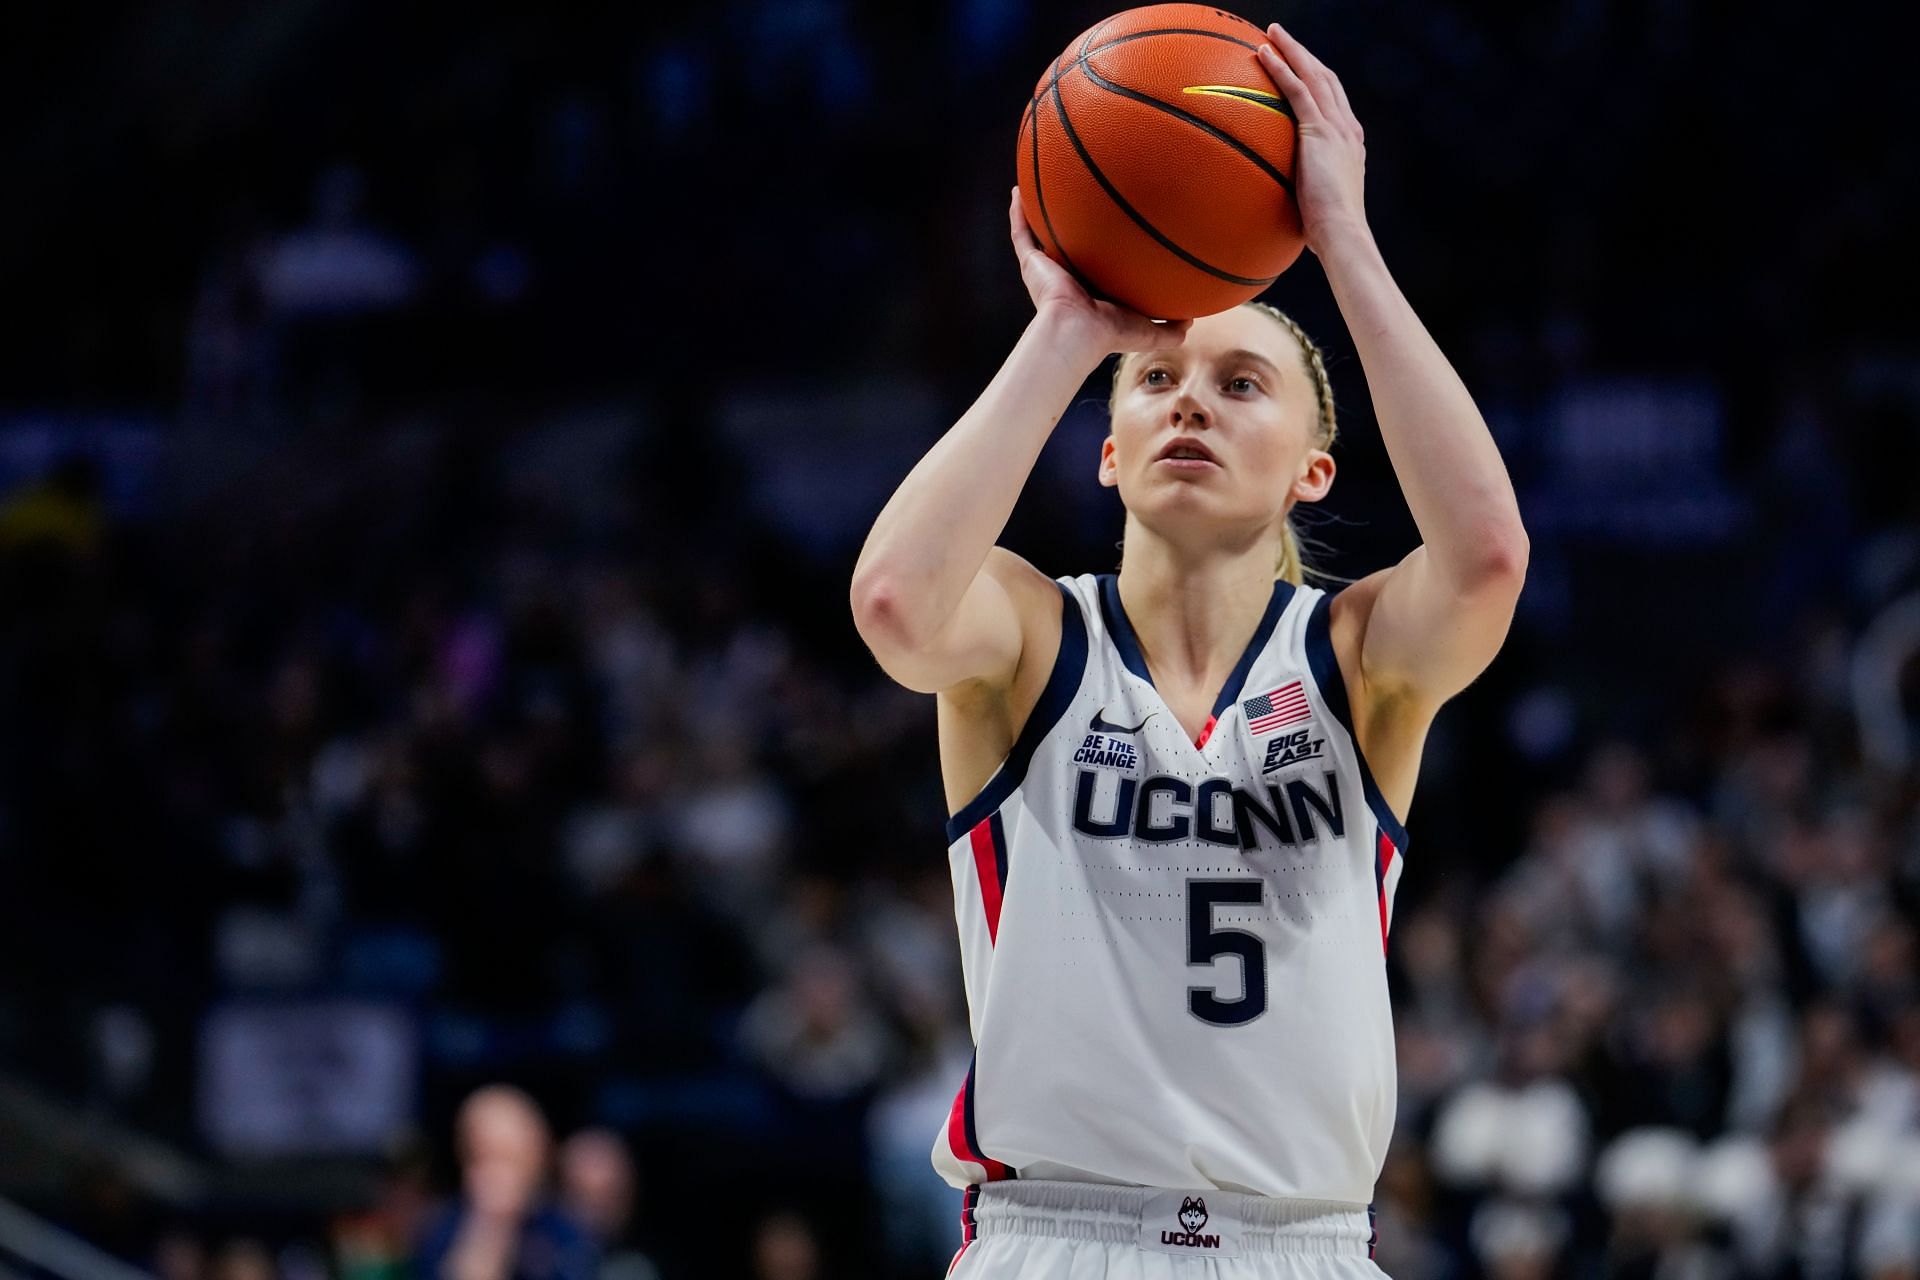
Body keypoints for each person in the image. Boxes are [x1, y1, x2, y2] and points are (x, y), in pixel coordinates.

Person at [849, 20, 1528, 1280]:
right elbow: (892, 601)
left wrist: (1346, 243)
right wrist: (1065, 331)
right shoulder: (1032, 634)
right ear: (1107, 450)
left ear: (1311, 470)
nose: (1191, 400)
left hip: (1304, 1245)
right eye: (1156, 378)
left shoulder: (1359, 656)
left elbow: (1488, 557)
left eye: (1240, 382)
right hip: (1055, 1237)